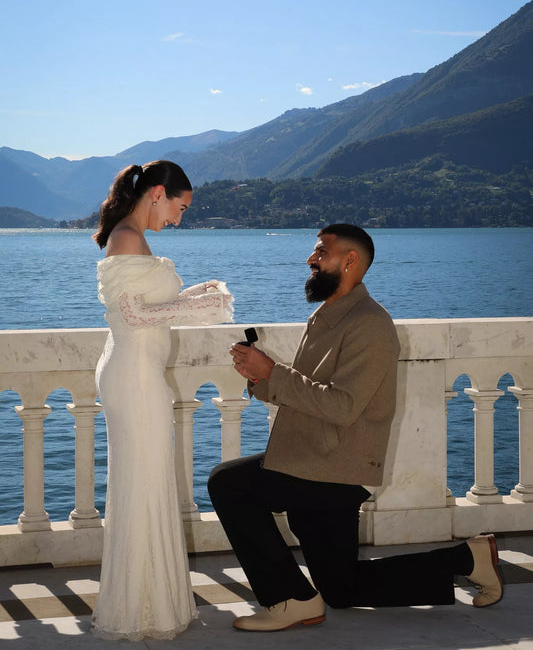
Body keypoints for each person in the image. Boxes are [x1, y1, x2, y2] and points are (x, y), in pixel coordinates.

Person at [208, 223, 503, 632]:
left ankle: (289, 599)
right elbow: (308, 390)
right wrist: (261, 378)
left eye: (320, 252)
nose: (310, 259)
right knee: (341, 590)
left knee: (229, 483)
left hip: (332, 466)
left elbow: (343, 405)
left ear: (350, 261)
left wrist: (273, 371)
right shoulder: (327, 316)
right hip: (311, 456)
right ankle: (469, 559)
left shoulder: (370, 325)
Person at [91, 160, 233, 641]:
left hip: (136, 372)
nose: (179, 219)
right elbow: (133, 315)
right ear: (157, 193)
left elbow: (144, 306)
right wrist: (200, 308)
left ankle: (149, 601)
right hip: (133, 377)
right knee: (144, 484)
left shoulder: (133, 235)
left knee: (146, 482)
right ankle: (139, 609)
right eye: (180, 207)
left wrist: (195, 293)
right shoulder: (128, 237)